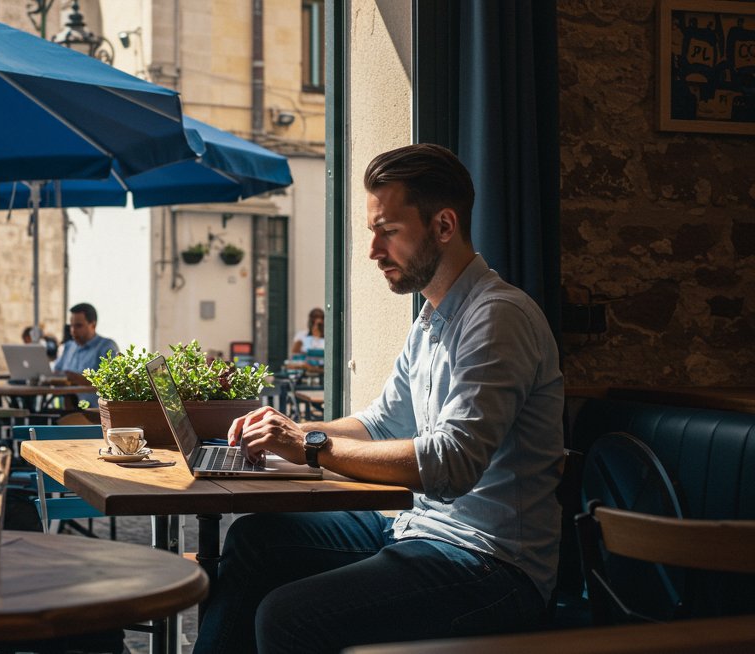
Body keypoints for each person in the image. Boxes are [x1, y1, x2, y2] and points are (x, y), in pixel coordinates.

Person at [194, 144, 564, 653]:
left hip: (492, 564)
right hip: (416, 530)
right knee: (255, 541)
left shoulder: (498, 317)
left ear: (444, 225)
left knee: (287, 617)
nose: (373, 250)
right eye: (373, 231)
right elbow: (383, 424)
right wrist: (287, 431)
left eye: (387, 231)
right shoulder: (431, 319)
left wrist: (309, 447)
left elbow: (452, 464)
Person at [52, 302, 119, 407]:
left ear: (93, 325)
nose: (73, 330)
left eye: (78, 326)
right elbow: (54, 372)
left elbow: (113, 382)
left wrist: (79, 379)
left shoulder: (106, 347)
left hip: (94, 411)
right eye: (71, 326)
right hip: (67, 408)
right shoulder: (68, 347)